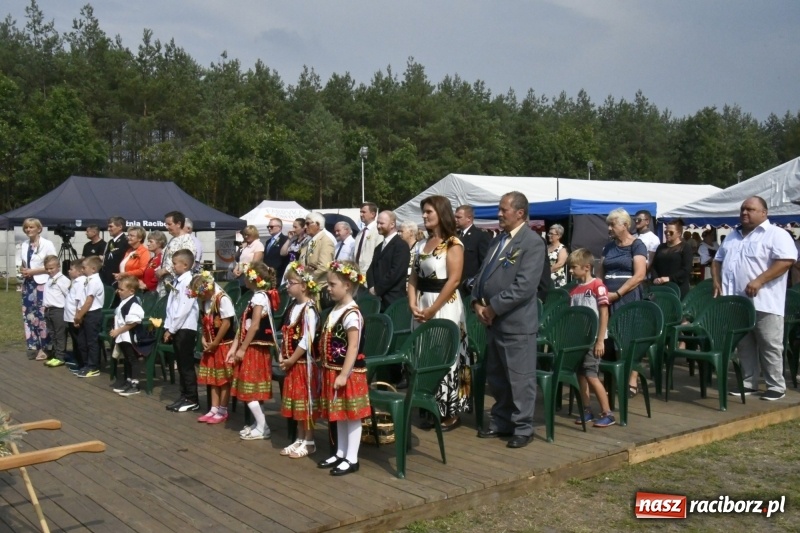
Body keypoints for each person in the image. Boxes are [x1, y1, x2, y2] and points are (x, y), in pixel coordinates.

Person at [472, 191, 544, 449]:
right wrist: (476, 302)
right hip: (494, 322)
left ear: (520, 213)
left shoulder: (532, 243)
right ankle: (502, 420)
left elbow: (524, 286)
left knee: (520, 377)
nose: (499, 214)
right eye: (499, 209)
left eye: (504, 210)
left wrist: (493, 308)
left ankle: (523, 427)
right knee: (498, 376)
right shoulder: (498, 240)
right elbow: (481, 275)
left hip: (516, 323)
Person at [713, 196, 797, 401]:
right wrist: (716, 282)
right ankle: (749, 383)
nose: (744, 213)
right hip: (737, 302)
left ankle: (776, 385)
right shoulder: (732, 236)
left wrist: (759, 280)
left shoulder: (776, 234)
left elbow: (786, 261)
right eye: (742, 209)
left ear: (764, 213)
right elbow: (717, 260)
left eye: (750, 209)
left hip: (764, 301)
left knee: (769, 344)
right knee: (744, 344)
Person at [408, 196, 471, 431]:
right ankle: (429, 404)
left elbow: (454, 279)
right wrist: (412, 303)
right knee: (425, 353)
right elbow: (413, 276)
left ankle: (450, 411)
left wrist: (433, 309)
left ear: (440, 213)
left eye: (428, 212)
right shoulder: (421, 244)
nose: (424, 216)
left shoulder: (453, 243)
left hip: (445, 304)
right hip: (422, 303)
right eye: (423, 212)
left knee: (447, 355)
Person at [316, 261, 369, 476]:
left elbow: (353, 346)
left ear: (347, 285)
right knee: (338, 413)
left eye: (332, 284)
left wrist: (344, 374)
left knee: (352, 414)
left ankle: (352, 457)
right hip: (332, 369)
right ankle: (340, 452)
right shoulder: (336, 309)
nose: (328, 288)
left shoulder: (351, 313)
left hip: (348, 373)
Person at [598, 208, 647, 398]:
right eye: (608, 225)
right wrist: (601, 291)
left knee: (628, 338)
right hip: (607, 296)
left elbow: (640, 275)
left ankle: (631, 379)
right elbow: (600, 272)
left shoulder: (637, 245)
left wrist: (617, 293)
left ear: (625, 225)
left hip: (627, 297)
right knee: (609, 338)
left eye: (612, 224)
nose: (609, 228)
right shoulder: (608, 247)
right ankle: (612, 378)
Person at [229, 261, 278, 440]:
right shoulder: (258, 296)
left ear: (252, 278)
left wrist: (241, 348)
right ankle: (259, 422)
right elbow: (244, 325)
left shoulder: (259, 297)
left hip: (254, 348)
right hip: (252, 346)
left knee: (249, 387)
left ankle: (263, 426)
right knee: (253, 388)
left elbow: (255, 325)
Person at [567, 249, 615, 428]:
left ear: (586, 267)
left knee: (592, 375)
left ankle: (607, 412)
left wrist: (600, 339)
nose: (571, 271)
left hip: (594, 339)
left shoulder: (598, 286)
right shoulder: (574, 291)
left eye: (573, 267)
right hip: (579, 340)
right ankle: (586, 409)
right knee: (581, 375)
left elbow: (604, 313)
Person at [278, 261, 321, 458]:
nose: (287, 286)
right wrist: (281, 353)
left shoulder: (309, 310)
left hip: (305, 365)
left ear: (303, 285)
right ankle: (299, 437)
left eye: (291, 282)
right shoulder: (293, 308)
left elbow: (307, 339)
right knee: (297, 402)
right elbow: (286, 333)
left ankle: (309, 440)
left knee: (307, 402)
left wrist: (292, 358)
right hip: (292, 364)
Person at [191, 271, 235, 424]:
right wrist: (204, 337)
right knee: (213, 379)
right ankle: (213, 408)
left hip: (223, 344)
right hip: (211, 345)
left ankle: (223, 409)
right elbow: (204, 321)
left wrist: (216, 341)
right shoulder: (205, 302)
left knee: (223, 379)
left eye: (200, 294)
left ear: (208, 288)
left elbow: (227, 322)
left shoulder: (222, 299)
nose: (199, 298)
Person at [163, 249, 200, 412]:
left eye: (175, 263)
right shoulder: (179, 280)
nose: (173, 266)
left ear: (185, 265)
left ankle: (192, 398)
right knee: (181, 362)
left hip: (185, 327)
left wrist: (172, 329)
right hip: (177, 327)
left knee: (186, 364)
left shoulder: (188, 281)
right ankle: (184, 395)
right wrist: (168, 326)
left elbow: (184, 308)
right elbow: (172, 305)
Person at [19, 218, 57, 360]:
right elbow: (24, 262)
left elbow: (52, 265)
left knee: (42, 315)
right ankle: (33, 345)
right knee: (29, 315)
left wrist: (33, 271)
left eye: (31, 227)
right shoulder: (24, 245)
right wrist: (24, 270)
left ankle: (45, 347)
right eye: (26, 228)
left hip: (42, 283)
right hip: (28, 284)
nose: (28, 230)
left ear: (39, 229)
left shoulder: (47, 244)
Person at [109, 275, 146, 396]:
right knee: (127, 359)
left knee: (133, 359)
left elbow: (133, 322)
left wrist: (118, 331)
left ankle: (135, 384)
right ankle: (128, 381)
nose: (118, 291)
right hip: (122, 337)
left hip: (130, 337)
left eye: (121, 289)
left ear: (131, 291)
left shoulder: (134, 304)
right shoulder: (124, 301)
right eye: (118, 289)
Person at [367, 211, 411, 311]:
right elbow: (371, 269)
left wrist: (377, 289)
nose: (378, 226)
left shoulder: (401, 246)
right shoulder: (379, 247)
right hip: (378, 300)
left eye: (381, 223)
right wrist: (371, 287)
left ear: (392, 224)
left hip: (393, 300)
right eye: (377, 223)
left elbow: (395, 272)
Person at [74, 255, 105, 378]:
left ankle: (93, 366)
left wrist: (79, 316)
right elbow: (81, 299)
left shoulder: (95, 281)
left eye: (84, 267)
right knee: (82, 341)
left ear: (93, 268)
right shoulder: (87, 280)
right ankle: (85, 364)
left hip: (92, 314)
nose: (82, 269)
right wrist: (78, 314)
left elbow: (89, 301)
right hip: (84, 313)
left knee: (92, 341)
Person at [651, 219, 694, 299]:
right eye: (665, 232)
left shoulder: (685, 247)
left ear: (679, 233)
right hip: (661, 286)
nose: (667, 234)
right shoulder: (661, 247)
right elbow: (654, 265)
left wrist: (669, 278)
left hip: (678, 287)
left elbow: (686, 269)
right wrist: (655, 278)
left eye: (671, 232)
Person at [300, 212, 335, 307]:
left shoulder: (326, 240)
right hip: (307, 288)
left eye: (308, 224)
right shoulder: (308, 241)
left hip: (319, 288)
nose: (305, 227)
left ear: (318, 225)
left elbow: (324, 266)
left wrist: (307, 279)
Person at [157, 211, 196, 296]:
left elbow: (187, 262)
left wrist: (165, 270)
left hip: (177, 286)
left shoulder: (186, 240)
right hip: (165, 285)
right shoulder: (172, 239)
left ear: (178, 224)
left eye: (169, 224)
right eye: (166, 224)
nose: (166, 227)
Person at [42, 255, 71, 368]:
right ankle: (55, 354)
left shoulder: (63, 280)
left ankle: (60, 356)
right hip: (49, 310)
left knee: (60, 334)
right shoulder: (49, 279)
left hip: (58, 310)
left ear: (58, 266)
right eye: (47, 269)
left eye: (52, 268)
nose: (49, 271)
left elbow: (68, 295)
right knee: (52, 333)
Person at [455, 205, 490, 297]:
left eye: (459, 217)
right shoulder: (455, 236)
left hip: (469, 289)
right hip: (455, 287)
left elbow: (485, 264)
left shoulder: (480, 236)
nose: (455, 219)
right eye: (455, 217)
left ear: (469, 218)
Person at [64, 259, 84, 371]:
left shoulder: (80, 283)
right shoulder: (75, 282)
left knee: (78, 341)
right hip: (70, 316)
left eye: (71, 269)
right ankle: (78, 361)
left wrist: (77, 317)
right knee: (74, 340)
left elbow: (79, 301)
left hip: (74, 317)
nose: (69, 271)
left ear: (80, 271)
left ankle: (81, 363)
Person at [100, 216, 130, 286]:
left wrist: (103, 258)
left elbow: (117, 257)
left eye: (111, 227)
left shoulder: (125, 241)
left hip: (118, 278)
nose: (108, 229)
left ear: (120, 227)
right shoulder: (110, 242)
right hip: (106, 277)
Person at [355, 202, 382, 273]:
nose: (361, 215)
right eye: (360, 212)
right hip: (357, 273)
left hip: (370, 273)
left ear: (373, 214)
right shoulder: (360, 233)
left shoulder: (378, 231)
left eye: (364, 212)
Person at [547, 224, 568, 288]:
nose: (549, 236)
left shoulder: (562, 248)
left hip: (557, 281)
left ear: (558, 236)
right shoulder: (546, 247)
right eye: (549, 233)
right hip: (547, 280)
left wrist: (546, 272)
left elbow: (559, 264)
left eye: (551, 234)